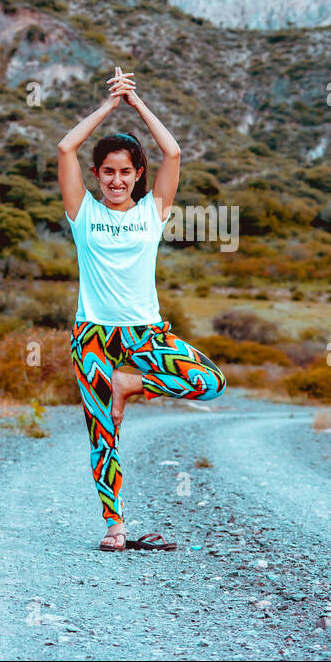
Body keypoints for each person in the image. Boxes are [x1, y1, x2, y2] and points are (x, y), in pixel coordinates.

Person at [57, 68, 227, 551]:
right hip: (92, 334)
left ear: (137, 176)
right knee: (102, 433)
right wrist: (109, 107)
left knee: (209, 381)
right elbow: (66, 148)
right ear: (97, 175)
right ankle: (115, 526)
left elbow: (172, 152)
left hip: (145, 332)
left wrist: (137, 103)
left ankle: (129, 384)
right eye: (107, 172)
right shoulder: (82, 212)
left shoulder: (153, 210)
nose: (116, 180)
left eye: (125, 172)